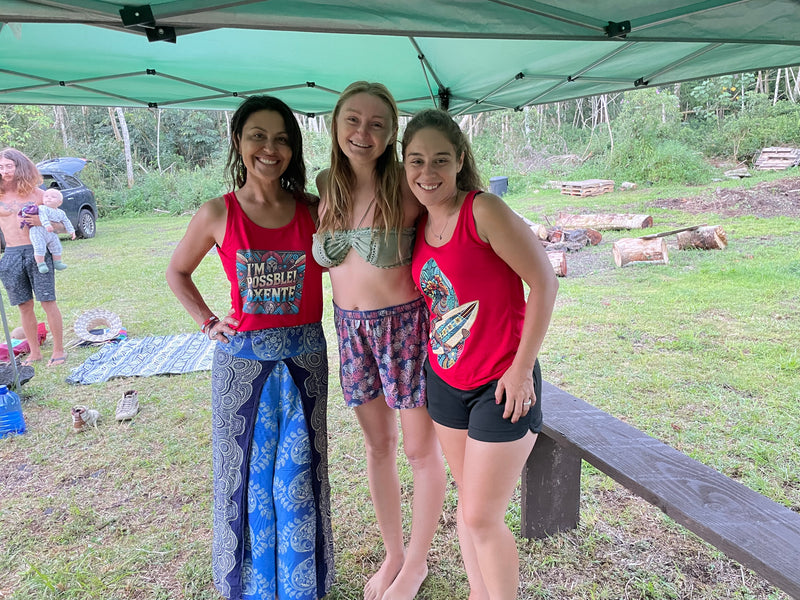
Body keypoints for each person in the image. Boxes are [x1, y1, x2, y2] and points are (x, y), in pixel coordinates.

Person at [166, 95, 334, 600]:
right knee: (244, 478)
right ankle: (250, 588)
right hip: (241, 369)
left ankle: (303, 585)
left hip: (304, 361)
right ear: (238, 141)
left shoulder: (313, 209)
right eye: (258, 136)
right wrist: (207, 321)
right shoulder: (218, 212)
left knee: (299, 476)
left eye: (282, 139)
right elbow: (177, 272)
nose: (269, 148)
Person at [402, 109, 559, 600]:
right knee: (469, 506)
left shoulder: (483, 210)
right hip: (446, 383)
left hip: (502, 385)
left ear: (459, 160)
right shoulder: (418, 224)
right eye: (416, 161)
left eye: (440, 160)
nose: (428, 173)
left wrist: (521, 370)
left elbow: (544, 283)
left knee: (480, 516)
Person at [313, 81, 446, 600]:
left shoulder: (409, 185)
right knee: (378, 446)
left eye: (376, 124)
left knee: (418, 450)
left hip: (404, 330)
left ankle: (416, 563)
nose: (362, 133)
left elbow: (455, 228)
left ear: (392, 134)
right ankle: (393, 552)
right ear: (335, 124)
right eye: (353, 120)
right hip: (349, 330)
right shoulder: (326, 183)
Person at [0, 147, 67, 367]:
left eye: (9, 166)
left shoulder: (37, 194)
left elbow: (61, 225)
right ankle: (35, 352)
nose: (4, 171)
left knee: (48, 301)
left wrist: (40, 222)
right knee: (24, 305)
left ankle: (58, 350)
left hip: (36, 252)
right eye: (1, 167)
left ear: (20, 167)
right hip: (11, 254)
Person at [20, 187, 76, 273]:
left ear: (60, 202)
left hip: (51, 232)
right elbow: (43, 217)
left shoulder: (61, 212)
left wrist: (71, 230)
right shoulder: (42, 208)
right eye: (46, 196)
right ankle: (41, 264)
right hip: (38, 231)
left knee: (57, 246)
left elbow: (66, 221)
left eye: (53, 197)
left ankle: (57, 262)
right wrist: (47, 225)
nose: (49, 198)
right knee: (39, 247)